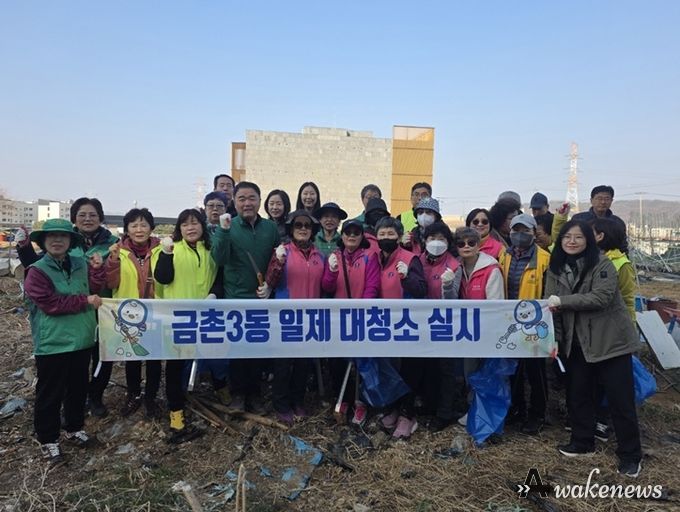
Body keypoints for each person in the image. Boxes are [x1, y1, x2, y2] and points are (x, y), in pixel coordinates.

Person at [545, 220, 642, 477]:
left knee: (620, 400)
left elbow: (600, 297)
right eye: (567, 237)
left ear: (589, 240)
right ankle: (582, 442)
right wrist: (555, 340)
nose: (572, 241)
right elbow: (550, 308)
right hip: (576, 344)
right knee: (578, 394)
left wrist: (562, 301)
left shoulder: (602, 264)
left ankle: (630, 455)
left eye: (578, 237)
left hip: (611, 343)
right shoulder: (555, 268)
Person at [17, 197, 119, 417]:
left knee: (102, 356)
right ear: (74, 219)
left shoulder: (113, 242)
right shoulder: (61, 245)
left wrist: (100, 270)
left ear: (100, 217)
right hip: (70, 317)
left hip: (103, 308)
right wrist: (23, 248)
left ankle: (94, 397)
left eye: (92, 214)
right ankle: (66, 410)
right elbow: (38, 267)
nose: (87, 219)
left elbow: (97, 280)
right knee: (67, 368)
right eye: (82, 215)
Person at [24, 219, 106, 463]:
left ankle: (74, 427)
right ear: (43, 241)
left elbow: (95, 287)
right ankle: (48, 439)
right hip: (53, 342)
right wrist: (84, 301)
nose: (57, 240)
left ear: (71, 241)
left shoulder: (81, 263)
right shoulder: (37, 271)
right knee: (50, 393)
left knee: (78, 388)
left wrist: (98, 269)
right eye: (52, 236)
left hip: (81, 338)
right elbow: (49, 303)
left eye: (63, 236)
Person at [211, 181, 280, 413]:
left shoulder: (270, 228)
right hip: (235, 299)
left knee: (258, 350)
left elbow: (276, 260)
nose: (247, 203)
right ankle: (238, 394)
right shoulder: (228, 226)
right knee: (237, 350)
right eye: (242, 199)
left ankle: (255, 394)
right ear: (234, 202)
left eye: (252, 198)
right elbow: (219, 259)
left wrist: (270, 285)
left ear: (260, 201)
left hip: (261, 300)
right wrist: (223, 231)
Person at [154, 209, 217, 443]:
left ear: (203, 226)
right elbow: (162, 278)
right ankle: (176, 411)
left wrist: (214, 293)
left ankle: (221, 390)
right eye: (185, 224)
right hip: (178, 320)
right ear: (179, 229)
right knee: (175, 366)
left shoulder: (210, 250)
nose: (191, 228)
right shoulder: (171, 249)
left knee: (214, 355)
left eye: (195, 223)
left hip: (206, 317)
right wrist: (166, 253)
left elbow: (218, 276)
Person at [258, 209, 325, 425]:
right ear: (291, 228)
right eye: (298, 225)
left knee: (303, 364)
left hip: (310, 318)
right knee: (283, 363)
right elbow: (271, 281)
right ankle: (281, 403)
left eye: (307, 225)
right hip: (286, 318)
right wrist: (278, 262)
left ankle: (298, 400)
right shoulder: (282, 252)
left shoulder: (319, 256)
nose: (303, 229)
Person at [105, 208, 163, 419]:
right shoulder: (117, 252)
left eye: (143, 225)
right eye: (134, 225)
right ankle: (134, 394)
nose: (139, 230)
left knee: (155, 358)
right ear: (127, 229)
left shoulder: (162, 250)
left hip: (156, 312)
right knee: (132, 358)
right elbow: (111, 283)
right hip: (129, 314)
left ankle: (151, 397)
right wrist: (112, 262)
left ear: (151, 228)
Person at [322, 219, 380, 425]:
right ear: (342, 235)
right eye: (348, 232)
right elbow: (327, 287)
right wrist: (331, 272)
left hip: (361, 316)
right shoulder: (335, 257)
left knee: (361, 362)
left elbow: (372, 286)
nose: (352, 236)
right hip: (339, 318)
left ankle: (361, 402)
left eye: (356, 232)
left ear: (362, 236)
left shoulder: (369, 257)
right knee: (338, 361)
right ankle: (343, 399)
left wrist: (362, 310)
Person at [374, 217, 427, 439]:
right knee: (390, 369)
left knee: (408, 370)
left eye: (390, 234)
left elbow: (421, 289)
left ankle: (408, 414)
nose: (386, 238)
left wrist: (406, 277)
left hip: (406, 324)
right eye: (382, 234)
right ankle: (394, 408)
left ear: (399, 236)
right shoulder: (376, 258)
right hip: (383, 324)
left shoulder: (409, 258)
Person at [498, 214, 551, 435]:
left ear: (534, 233)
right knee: (513, 370)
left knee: (535, 371)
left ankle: (538, 414)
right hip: (509, 321)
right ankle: (516, 408)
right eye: (516, 230)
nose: (520, 235)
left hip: (534, 323)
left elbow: (548, 293)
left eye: (526, 231)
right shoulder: (504, 255)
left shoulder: (544, 259)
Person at [418, 221, 464, 431]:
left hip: (445, 324)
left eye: (441, 238)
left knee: (446, 368)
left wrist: (448, 284)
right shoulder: (418, 261)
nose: (436, 242)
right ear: (425, 240)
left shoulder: (454, 265)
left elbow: (453, 298)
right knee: (427, 366)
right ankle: (429, 405)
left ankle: (444, 413)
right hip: (421, 323)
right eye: (432, 238)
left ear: (448, 242)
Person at [592, 218, 636, 323]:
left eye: (589, 233)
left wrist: (629, 326)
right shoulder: (589, 259)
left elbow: (627, 300)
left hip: (612, 323)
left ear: (600, 236)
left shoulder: (622, 264)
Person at [572, 185, 627, 253]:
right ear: (591, 200)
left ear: (611, 201)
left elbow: (623, 246)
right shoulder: (579, 219)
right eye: (599, 198)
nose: (603, 202)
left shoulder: (617, 222)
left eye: (607, 199)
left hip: (611, 258)